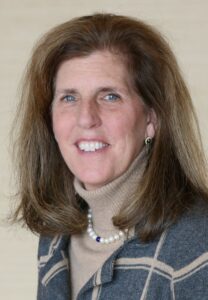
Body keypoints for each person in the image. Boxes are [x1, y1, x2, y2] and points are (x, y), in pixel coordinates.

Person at [13, 13, 208, 300]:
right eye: (69, 97)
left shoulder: (197, 247)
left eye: (110, 96)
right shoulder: (55, 238)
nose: (86, 118)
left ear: (152, 117)